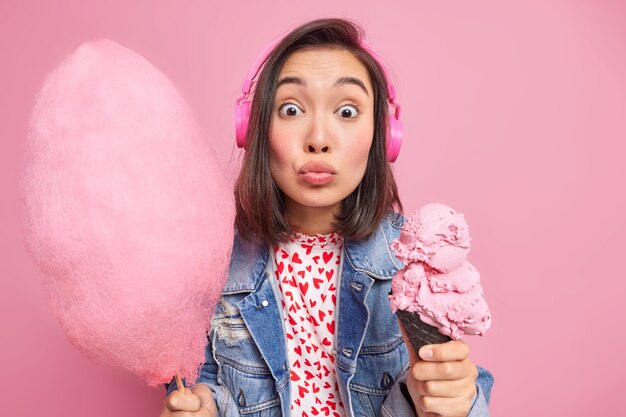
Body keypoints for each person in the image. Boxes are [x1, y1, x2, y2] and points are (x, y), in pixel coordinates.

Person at [160, 18, 493, 417]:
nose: (318, 138)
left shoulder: (413, 261)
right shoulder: (213, 261)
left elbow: (450, 382)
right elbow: (204, 379)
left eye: (347, 111)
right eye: (291, 109)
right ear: (254, 129)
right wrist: (202, 406)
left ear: (383, 138)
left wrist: (452, 399)